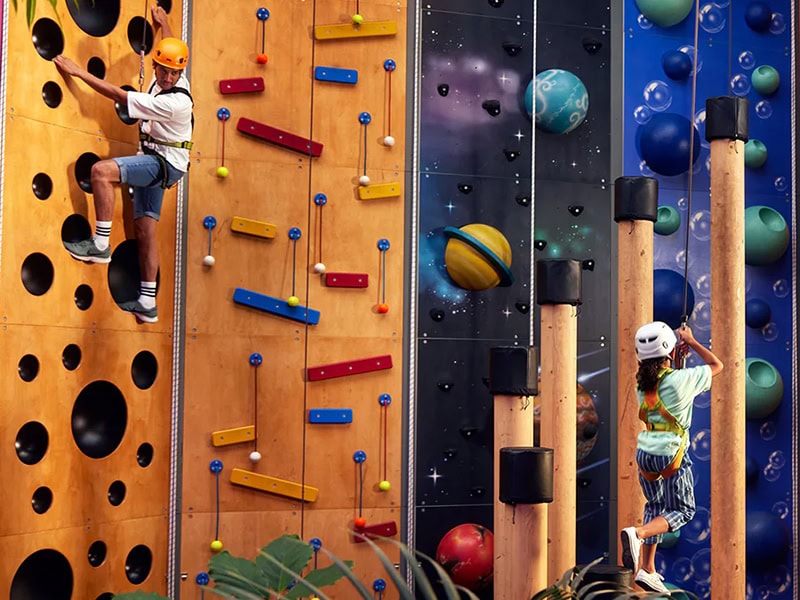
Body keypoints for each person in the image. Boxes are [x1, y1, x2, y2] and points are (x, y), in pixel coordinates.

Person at [53, 5, 192, 324]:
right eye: (164, 71)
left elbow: (117, 94)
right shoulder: (168, 72)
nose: (168, 78)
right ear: (157, 65)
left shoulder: (173, 101)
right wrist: (165, 24)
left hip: (162, 162)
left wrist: (78, 72)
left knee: (100, 172)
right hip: (161, 158)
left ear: (180, 75)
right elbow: (169, 50)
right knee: (145, 229)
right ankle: (147, 302)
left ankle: (100, 244)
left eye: (174, 74)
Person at [620, 321, 723, 594]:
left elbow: (671, 386)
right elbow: (717, 366)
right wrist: (692, 341)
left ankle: (648, 569)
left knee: (655, 505)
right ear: (669, 349)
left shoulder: (643, 384)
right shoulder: (679, 380)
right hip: (671, 456)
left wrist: (677, 360)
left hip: (646, 455)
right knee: (683, 510)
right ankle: (638, 534)